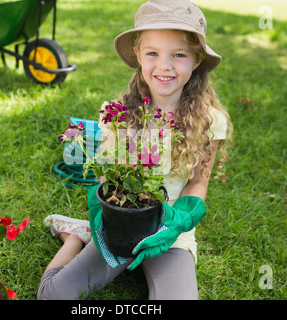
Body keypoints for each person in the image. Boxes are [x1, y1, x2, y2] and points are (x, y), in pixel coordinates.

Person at [38, 0, 232, 300]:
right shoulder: (117, 115)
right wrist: (104, 215)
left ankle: (143, 246)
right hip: (119, 227)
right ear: (139, 56)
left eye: (178, 54)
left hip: (169, 234)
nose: (164, 65)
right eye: (152, 53)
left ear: (196, 60)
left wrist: (175, 221)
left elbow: (197, 182)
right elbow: (108, 178)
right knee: (53, 296)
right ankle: (74, 237)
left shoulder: (208, 122)